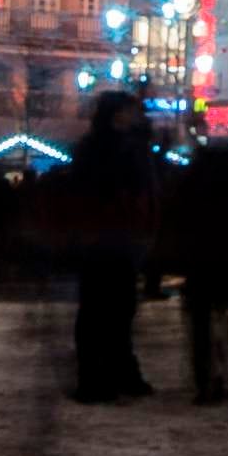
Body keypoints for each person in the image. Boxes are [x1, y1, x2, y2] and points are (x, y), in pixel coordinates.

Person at [65, 91, 158, 402]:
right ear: (118, 114)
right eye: (131, 111)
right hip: (110, 234)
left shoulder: (101, 146)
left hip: (105, 235)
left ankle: (107, 374)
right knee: (106, 309)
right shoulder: (115, 149)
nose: (136, 116)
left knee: (110, 308)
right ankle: (101, 377)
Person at [170, 138, 228, 404]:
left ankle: (205, 378)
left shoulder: (193, 182)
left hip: (201, 258)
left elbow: (179, 215)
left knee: (201, 322)